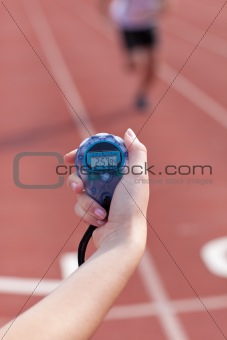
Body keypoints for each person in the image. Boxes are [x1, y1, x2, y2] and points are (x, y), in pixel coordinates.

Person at [0, 128, 149, 340]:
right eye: (99, 163)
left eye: (108, 162)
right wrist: (123, 237)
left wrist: (122, 236)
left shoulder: (89, 156)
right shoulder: (114, 154)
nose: (105, 171)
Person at [99, 0, 171, 110]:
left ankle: (142, 94)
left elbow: (168, 5)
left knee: (155, 67)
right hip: (129, 25)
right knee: (136, 63)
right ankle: (131, 60)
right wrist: (105, 17)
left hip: (148, 25)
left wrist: (162, 8)